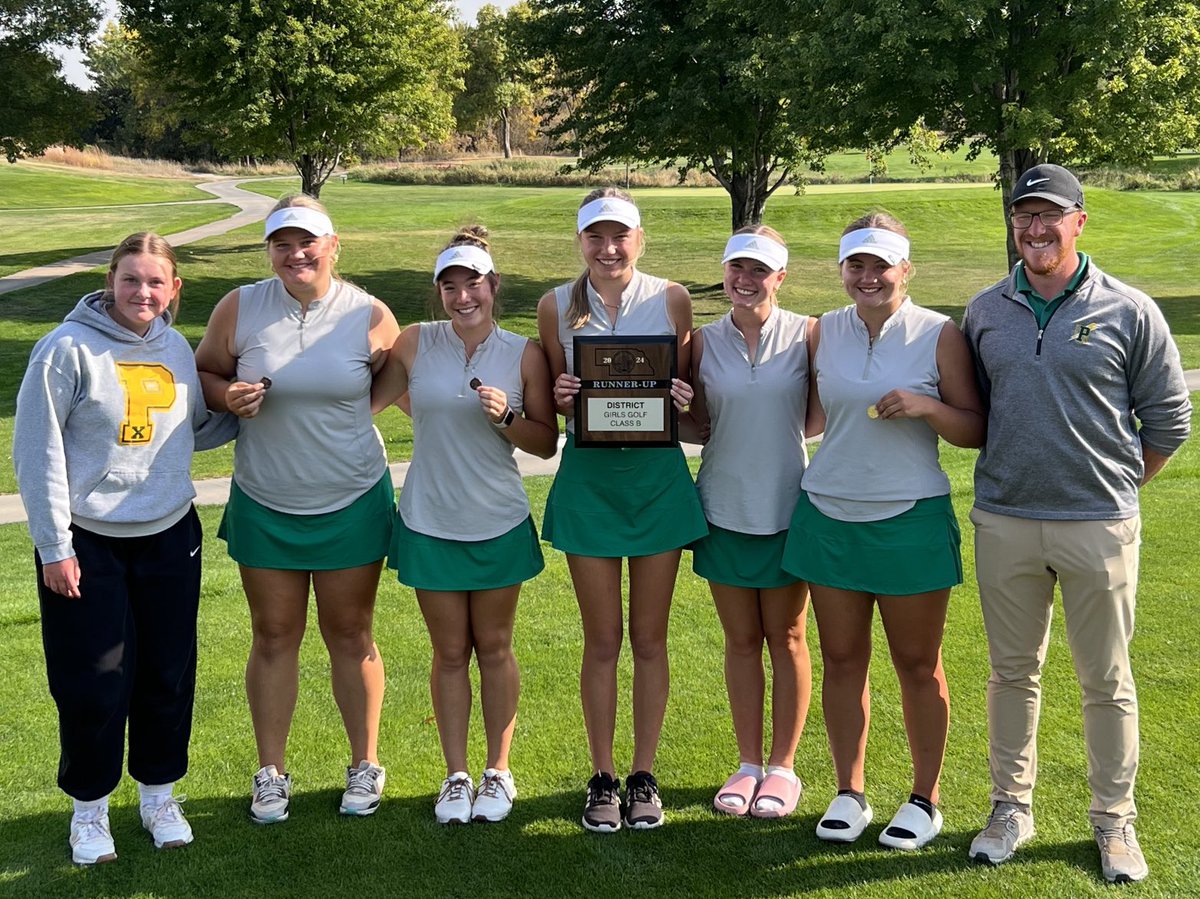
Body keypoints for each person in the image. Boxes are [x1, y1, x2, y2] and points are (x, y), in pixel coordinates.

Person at [961, 164, 1191, 883]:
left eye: (1049, 216)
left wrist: (1114, 485)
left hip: (1099, 524)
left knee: (1107, 679)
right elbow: (978, 412)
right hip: (1005, 519)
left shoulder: (1129, 309)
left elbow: (1169, 421)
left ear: (1079, 222)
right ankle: (1010, 808)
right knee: (1011, 673)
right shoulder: (985, 310)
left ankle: (1114, 820)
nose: (1035, 229)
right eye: (1024, 216)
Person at [14, 233, 236, 864]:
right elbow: (36, 453)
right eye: (131, 279)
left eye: (156, 281)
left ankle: (159, 797)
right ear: (110, 281)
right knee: (94, 681)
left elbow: (189, 430)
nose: (143, 292)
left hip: (169, 534)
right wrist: (54, 546)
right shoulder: (65, 348)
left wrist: (245, 410)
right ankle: (89, 810)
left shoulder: (175, 347)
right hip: (89, 544)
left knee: (167, 673)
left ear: (174, 288)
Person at [781, 211, 985, 850]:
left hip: (909, 518)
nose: (868, 276)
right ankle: (850, 792)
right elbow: (807, 416)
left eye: (881, 265)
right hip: (828, 514)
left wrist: (927, 406)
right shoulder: (822, 331)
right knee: (842, 661)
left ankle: (925, 799)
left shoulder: (939, 333)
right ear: (842, 269)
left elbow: (974, 427)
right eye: (856, 264)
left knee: (918, 664)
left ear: (906, 269)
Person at [194, 195, 401, 823]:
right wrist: (228, 395)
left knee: (351, 633)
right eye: (281, 244)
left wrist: (355, 414)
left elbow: (400, 376)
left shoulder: (369, 313)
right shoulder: (240, 306)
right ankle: (271, 773)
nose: (295, 254)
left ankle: (365, 764)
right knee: (273, 635)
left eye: (307, 242)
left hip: (351, 497)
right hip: (265, 498)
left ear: (333, 245)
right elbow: (205, 373)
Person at [371, 226, 557, 824]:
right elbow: (367, 400)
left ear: (493, 285)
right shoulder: (415, 342)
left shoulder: (524, 352)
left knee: (495, 648)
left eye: (472, 284)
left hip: (497, 519)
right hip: (429, 518)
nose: (461, 297)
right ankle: (456, 776)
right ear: (439, 293)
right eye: (449, 287)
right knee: (449, 653)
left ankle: (498, 772)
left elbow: (545, 442)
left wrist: (507, 418)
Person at [537, 187, 707, 832]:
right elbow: (554, 400)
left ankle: (643, 775)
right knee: (602, 639)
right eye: (596, 237)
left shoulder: (672, 298)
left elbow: (684, 395)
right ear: (580, 241)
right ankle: (603, 777)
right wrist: (560, 394)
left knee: (650, 639)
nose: (608, 249)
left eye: (620, 236)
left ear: (640, 239)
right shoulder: (554, 304)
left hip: (656, 481)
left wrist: (681, 397)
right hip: (590, 483)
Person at [688, 227, 815, 819]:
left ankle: (783, 768)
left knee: (787, 638)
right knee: (740, 641)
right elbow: (692, 423)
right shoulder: (699, 342)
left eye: (760, 270)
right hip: (723, 505)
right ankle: (747, 765)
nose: (746, 279)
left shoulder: (808, 334)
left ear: (780, 278)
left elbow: (816, 416)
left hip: (788, 505)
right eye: (737, 267)